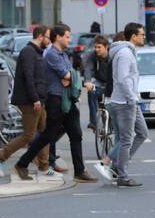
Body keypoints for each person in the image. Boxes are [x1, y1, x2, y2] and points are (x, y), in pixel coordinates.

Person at [13, 24, 98, 184]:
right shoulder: (51, 54)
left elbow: (70, 75)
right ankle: (22, 163)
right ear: (58, 37)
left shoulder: (63, 54)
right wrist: (70, 76)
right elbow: (67, 74)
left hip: (67, 99)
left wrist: (70, 77)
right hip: (56, 100)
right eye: (67, 36)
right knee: (47, 135)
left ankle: (79, 171)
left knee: (76, 135)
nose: (69, 39)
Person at [0, 25, 56, 177]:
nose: (49, 41)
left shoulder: (36, 53)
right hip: (30, 101)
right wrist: (35, 98)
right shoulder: (28, 52)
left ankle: (44, 167)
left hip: (38, 99)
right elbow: (28, 77)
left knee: (45, 132)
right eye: (48, 37)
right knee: (28, 135)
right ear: (40, 36)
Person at [103, 22, 149, 186]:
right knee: (126, 140)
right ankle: (122, 175)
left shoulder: (128, 52)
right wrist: (131, 98)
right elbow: (122, 79)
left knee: (142, 132)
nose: (144, 36)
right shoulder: (124, 54)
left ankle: (117, 166)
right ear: (133, 36)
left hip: (129, 100)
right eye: (142, 34)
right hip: (124, 102)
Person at [82, 35, 113, 151]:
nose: (96, 49)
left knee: (112, 104)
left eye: (99, 47)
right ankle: (94, 122)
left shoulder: (112, 56)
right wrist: (88, 81)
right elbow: (88, 68)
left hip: (111, 81)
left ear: (106, 47)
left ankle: (112, 123)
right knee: (91, 92)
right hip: (99, 81)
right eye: (95, 47)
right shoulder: (92, 55)